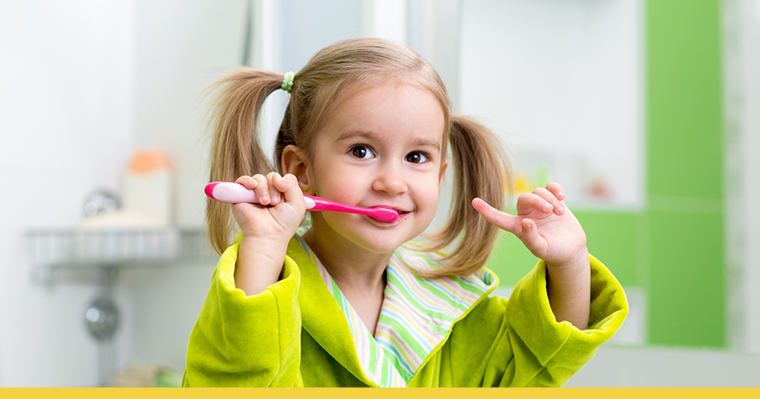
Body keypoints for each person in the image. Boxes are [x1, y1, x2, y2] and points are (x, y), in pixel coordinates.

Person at [183, 38, 627, 387]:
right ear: (301, 170)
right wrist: (262, 247)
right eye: (362, 151)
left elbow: (535, 362)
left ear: (440, 175)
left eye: (417, 157)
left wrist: (568, 261)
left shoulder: (449, 302)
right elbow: (232, 380)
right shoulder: (263, 285)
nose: (392, 182)